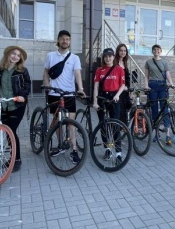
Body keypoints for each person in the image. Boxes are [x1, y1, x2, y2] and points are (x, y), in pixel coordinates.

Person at [43, 30, 85, 164]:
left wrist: (80, 89)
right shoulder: (50, 55)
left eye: (67, 39)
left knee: (71, 124)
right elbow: (45, 72)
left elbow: (77, 74)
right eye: (63, 39)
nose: (65, 41)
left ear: (70, 41)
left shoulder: (74, 58)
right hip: (54, 94)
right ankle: (60, 145)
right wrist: (46, 84)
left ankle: (73, 150)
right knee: (56, 123)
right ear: (58, 40)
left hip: (69, 94)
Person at [0, 46, 31, 172]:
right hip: (2, 104)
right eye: (13, 54)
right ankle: (11, 158)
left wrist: (23, 96)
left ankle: (16, 159)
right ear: (8, 55)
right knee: (5, 131)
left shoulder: (22, 71)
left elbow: (28, 84)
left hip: (16, 105)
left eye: (18, 55)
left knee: (11, 130)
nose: (15, 56)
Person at [93, 48, 125, 163]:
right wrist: (95, 102)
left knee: (115, 124)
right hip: (102, 97)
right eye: (106, 56)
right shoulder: (99, 70)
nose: (108, 58)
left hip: (114, 97)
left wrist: (117, 95)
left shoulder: (119, 69)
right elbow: (96, 87)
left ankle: (118, 153)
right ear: (103, 58)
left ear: (113, 57)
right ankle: (107, 149)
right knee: (103, 124)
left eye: (110, 56)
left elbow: (122, 85)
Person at [144, 44, 174, 142]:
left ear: (160, 51)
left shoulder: (164, 62)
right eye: (154, 49)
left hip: (162, 86)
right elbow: (146, 76)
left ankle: (168, 134)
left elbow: (167, 74)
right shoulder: (148, 62)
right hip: (152, 85)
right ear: (152, 51)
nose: (156, 51)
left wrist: (171, 83)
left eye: (158, 49)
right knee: (154, 109)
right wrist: (146, 85)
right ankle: (157, 134)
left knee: (165, 109)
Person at [114, 44, 131, 126]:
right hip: (116, 91)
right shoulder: (114, 62)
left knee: (123, 110)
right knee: (118, 112)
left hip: (124, 91)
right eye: (121, 50)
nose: (123, 52)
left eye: (124, 51)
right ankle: (117, 130)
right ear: (117, 51)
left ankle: (122, 129)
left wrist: (127, 88)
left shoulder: (124, 63)